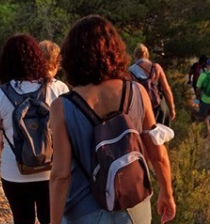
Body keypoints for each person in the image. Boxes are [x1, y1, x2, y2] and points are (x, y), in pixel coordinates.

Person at [50, 15, 176, 224]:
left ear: (72, 56)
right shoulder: (137, 92)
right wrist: (167, 193)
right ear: (114, 50)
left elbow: (61, 175)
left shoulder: (62, 106)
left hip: (84, 212)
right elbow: (158, 154)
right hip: (134, 207)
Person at [0, 34, 69, 224]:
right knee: (51, 219)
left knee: (22, 219)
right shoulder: (58, 89)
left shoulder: (0, 94)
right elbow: (70, 132)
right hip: (51, 170)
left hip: (14, 172)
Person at [129, 44, 177, 126]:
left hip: (142, 109)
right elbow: (166, 89)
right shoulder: (156, 67)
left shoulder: (131, 70)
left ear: (135, 55)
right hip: (158, 106)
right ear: (147, 55)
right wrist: (172, 108)